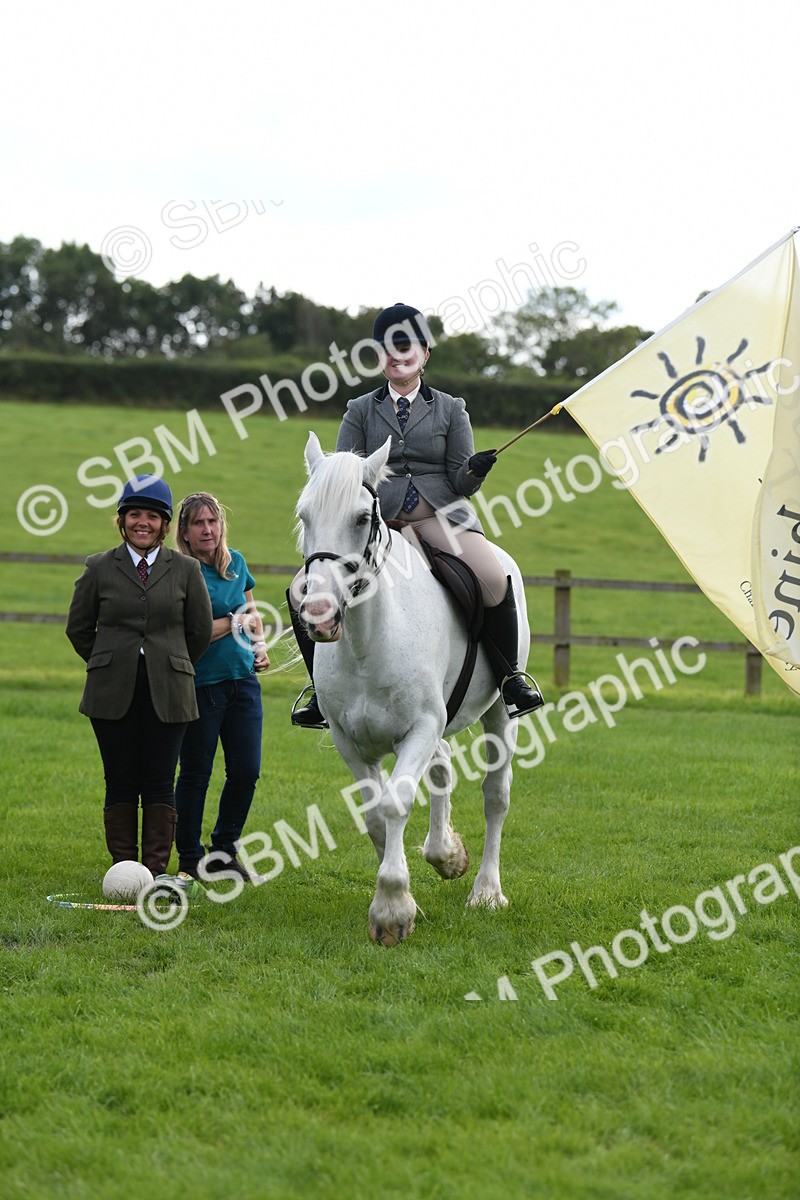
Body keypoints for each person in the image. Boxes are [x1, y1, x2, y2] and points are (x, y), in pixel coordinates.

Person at [289, 302, 544, 729]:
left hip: (441, 518)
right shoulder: (359, 410)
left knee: (495, 579)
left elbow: (460, 481)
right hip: (376, 523)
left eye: (407, 348)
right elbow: (346, 476)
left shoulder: (451, 408)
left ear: (425, 353)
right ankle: (320, 689)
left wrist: (474, 471)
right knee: (301, 588)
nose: (397, 356)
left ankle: (509, 677)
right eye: (388, 348)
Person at [66, 475, 213, 877]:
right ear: (122, 519)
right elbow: (78, 628)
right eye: (134, 514)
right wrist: (107, 662)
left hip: (170, 691)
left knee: (160, 780)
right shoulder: (98, 567)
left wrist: (172, 663)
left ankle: (153, 872)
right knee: (119, 778)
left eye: (152, 516)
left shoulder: (185, 570)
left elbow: (199, 632)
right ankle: (123, 869)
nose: (142, 522)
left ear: (165, 525)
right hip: (111, 692)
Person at [173, 492, 269, 884]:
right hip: (201, 687)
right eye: (199, 523)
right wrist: (231, 625)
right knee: (196, 773)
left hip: (242, 683)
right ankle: (190, 857)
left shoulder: (236, 563)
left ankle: (224, 851)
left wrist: (259, 647)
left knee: (246, 772)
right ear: (185, 531)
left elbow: (251, 612)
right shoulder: (180, 572)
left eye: (213, 521)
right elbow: (188, 636)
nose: (208, 529)